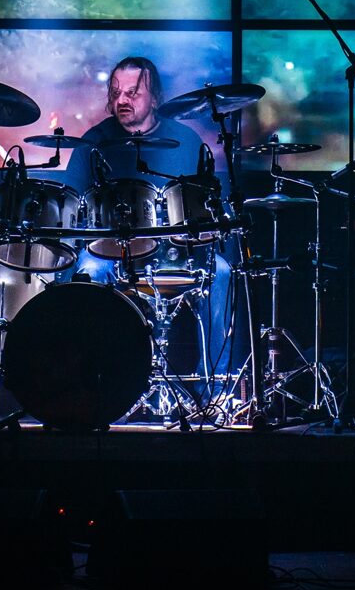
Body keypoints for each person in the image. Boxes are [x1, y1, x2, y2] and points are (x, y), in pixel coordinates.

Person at [58, 56, 235, 379]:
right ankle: (95, 380)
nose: (122, 100)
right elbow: (70, 204)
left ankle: (214, 382)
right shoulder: (93, 142)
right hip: (111, 253)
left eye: (132, 93)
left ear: (155, 99)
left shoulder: (186, 140)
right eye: (116, 93)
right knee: (89, 270)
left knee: (221, 271)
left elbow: (204, 204)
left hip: (176, 251)